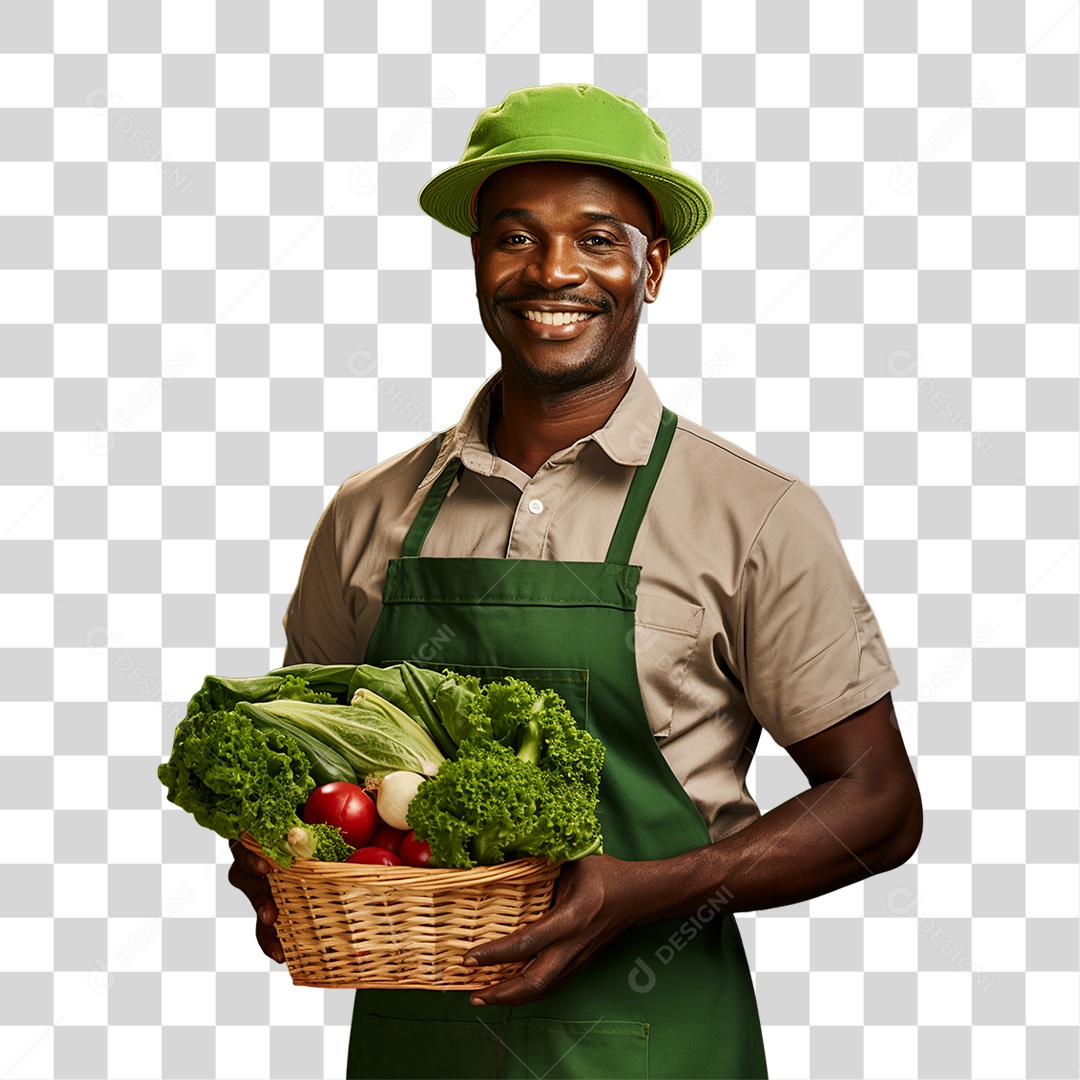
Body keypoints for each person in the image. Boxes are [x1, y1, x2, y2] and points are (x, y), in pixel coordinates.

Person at [229, 83, 922, 1079]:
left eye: (599, 239)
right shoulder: (368, 513)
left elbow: (879, 802)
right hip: (424, 1045)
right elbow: (305, 771)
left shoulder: (751, 513)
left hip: (661, 1039)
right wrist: (271, 869)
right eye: (514, 236)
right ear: (477, 259)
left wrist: (660, 888)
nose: (553, 270)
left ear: (653, 269)